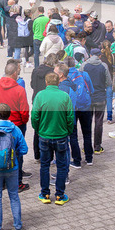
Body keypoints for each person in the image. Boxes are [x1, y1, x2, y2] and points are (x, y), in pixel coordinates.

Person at [0, 60, 31, 192]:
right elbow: (24, 111)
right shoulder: (19, 89)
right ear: (15, 73)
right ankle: (17, 183)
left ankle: (3, 182)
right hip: (16, 125)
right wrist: (22, 122)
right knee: (17, 154)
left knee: (1, 151)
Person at [31, 71, 74, 206]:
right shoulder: (65, 96)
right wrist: (68, 131)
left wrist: (38, 129)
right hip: (61, 135)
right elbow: (70, 118)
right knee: (61, 166)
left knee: (44, 165)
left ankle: (45, 194)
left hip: (44, 136)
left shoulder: (40, 96)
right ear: (59, 82)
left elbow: (34, 116)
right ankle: (60, 195)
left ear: (46, 82)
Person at [83, 46, 110, 155]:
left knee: (87, 123)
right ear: (100, 56)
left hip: (88, 98)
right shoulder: (103, 66)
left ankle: (87, 146)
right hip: (100, 97)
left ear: (90, 55)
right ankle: (97, 146)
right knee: (99, 123)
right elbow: (108, 82)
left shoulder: (84, 65)